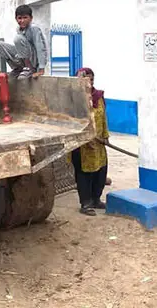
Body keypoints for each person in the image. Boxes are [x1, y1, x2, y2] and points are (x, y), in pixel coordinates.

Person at [69, 67, 109, 216]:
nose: (89, 83)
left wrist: (105, 135)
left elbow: (103, 117)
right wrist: (86, 136)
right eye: (86, 80)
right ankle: (85, 203)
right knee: (84, 174)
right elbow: (72, 121)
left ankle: (96, 199)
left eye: (91, 79)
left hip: (99, 143)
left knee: (101, 171)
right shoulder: (75, 99)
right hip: (83, 145)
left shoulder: (98, 96)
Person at [0, 4, 48, 79]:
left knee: (18, 39)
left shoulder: (34, 28)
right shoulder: (19, 29)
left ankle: (29, 68)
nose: (22, 21)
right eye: (19, 18)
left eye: (25, 18)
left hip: (34, 61)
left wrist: (41, 69)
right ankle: (18, 68)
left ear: (31, 18)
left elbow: (41, 48)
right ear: (16, 19)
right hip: (24, 58)